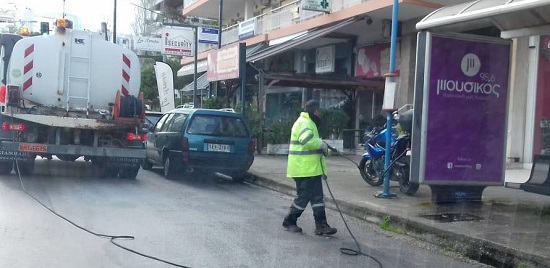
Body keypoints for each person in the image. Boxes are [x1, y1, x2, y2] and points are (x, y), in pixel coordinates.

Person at [282, 100, 337, 235]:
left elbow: (314, 147)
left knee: (317, 198)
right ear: (314, 111)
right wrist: (322, 144)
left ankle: (321, 225)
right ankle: (289, 221)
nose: (320, 114)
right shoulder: (304, 123)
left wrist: (324, 149)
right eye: (319, 111)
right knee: (303, 198)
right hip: (302, 170)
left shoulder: (309, 123)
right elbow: (308, 142)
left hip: (311, 169)